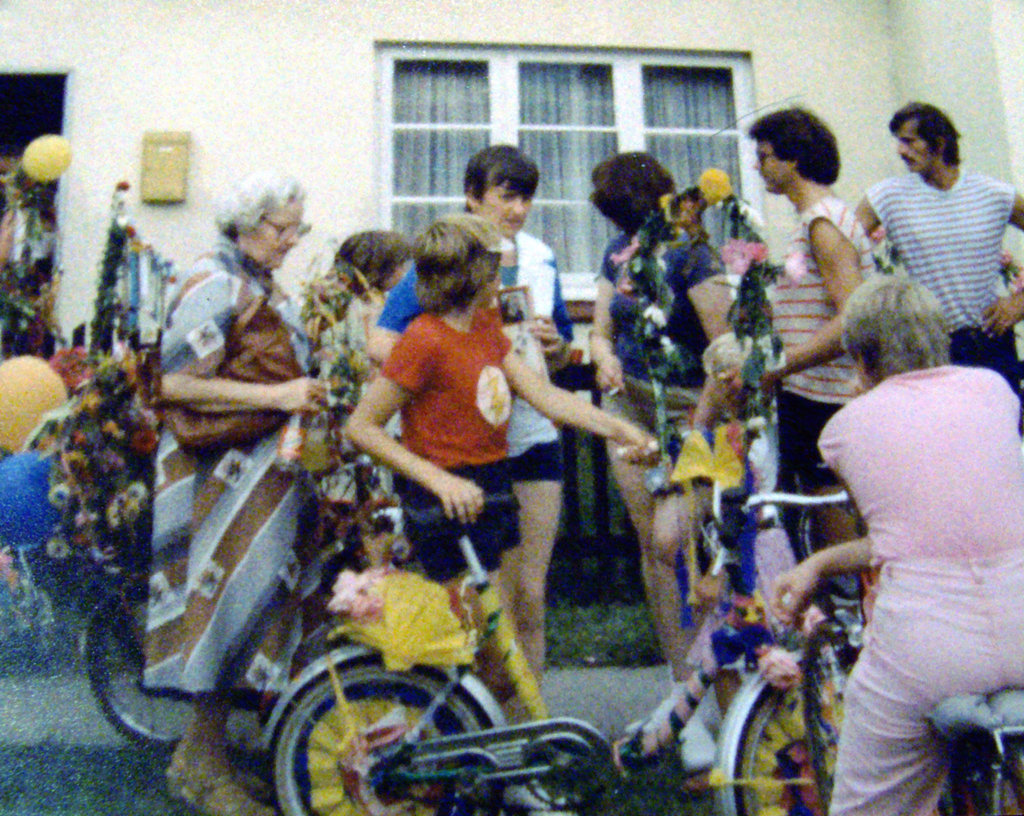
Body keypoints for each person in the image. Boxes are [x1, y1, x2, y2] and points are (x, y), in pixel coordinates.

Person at [346, 213, 655, 708]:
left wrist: (619, 428)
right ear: (472, 275)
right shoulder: (425, 339)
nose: (505, 279)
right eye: (497, 269)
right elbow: (361, 427)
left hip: (491, 486)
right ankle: (439, 751)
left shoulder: (485, 326)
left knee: (501, 645)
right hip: (445, 497)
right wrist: (439, 481)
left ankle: (487, 751)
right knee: (477, 646)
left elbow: (545, 396)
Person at [771, 275, 1024, 816]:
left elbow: (899, 540)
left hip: (927, 649)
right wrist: (823, 562)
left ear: (860, 360)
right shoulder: (995, 391)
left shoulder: (844, 429)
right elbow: (934, 531)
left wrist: (816, 561)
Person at [145, 172, 325, 816]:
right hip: (210, 478)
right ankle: (199, 768)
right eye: (282, 229)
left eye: (295, 230)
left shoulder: (256, 284)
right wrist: (279, 396)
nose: (290, 242)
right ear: (245, 223)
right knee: (217, 610)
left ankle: (205, 758)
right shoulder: (212, 282)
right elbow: (174, 385)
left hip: (250, 478)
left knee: (242, 608)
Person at [368, 145, 573, 679]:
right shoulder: (445, 263)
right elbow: (383, 343)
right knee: (483, 607)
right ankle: (482, 721)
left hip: (531, 435)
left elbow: (560, 348)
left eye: (527, 198)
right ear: (472, 196)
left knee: (530, 594)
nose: (518, 210)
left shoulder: (541, 257)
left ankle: (532, 726)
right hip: (468, 452)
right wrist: (454, 369)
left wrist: (552, 347)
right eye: (506, 196)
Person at [588, 152, 730, 689]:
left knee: (676, 540)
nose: (619, 226)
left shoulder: (693, 255)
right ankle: (680, 682)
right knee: (653, 546)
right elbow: (601, 327)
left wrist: (702, 424)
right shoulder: (617, 251)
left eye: (623, 212)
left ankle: (716, 669)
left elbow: (724, 349)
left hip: (691, 405)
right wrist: (601, 355)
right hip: (628, 406)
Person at [856, 101, 1024, 394]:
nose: (900, 151)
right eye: (899, 142)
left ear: (939, 142)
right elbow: (841, 244)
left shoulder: (993, 194)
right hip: (931, 349)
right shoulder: (888, 196)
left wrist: (1019, 303)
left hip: (990, 343)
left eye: (909, 141)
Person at [748, 107, 873, 498]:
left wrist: (778, 366)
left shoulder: (824, 221)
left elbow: (852, 318)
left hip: (830, 398)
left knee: (832, 522)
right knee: (813, 520)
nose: (758, 166)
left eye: (765, 156)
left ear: (794, 158)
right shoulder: (810, 221)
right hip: (807, 394)